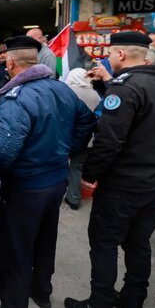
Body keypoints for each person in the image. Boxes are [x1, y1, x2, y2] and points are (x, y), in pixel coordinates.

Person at [65, 32, 155, 308]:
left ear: (120, 55)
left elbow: (108, 142)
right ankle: (133, 299)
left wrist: (89, 174)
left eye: (110, 54)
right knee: (138, 243)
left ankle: (100, 301)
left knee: (104, 243)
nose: (108, 59)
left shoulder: (126, 89)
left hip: (122, 187)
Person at [0, 36, 96, 308]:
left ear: (10, 62)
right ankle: (41, 292)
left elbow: (2, 152)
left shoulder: (16, 97)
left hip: (25, 187)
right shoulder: (61, 89)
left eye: (4, 61)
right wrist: (67, 149)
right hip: (55, 180)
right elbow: (87, 120)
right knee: (45, 240)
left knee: (16, 250)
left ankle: (14, 302)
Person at [63, 68, 102, 210]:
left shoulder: (65, 91)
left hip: (65, 137)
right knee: (76, 167)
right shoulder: (94, 95)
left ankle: (58, 193)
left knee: (59, 163)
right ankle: (74, 199)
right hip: (87, 139)